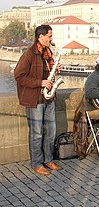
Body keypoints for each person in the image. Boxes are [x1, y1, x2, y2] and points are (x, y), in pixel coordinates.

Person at [14, 24, 62, 176]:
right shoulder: (29, 54)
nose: (51, 39)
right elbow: (19, 76)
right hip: (35, 99)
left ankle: (48, 160)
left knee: (50, 131)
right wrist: (40, 82)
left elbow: (48, 72)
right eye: (49, 36)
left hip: (48, 97)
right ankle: (36, 163)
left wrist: (55, 69)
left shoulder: (47, 52)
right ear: (40, 37)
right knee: (37, 133)